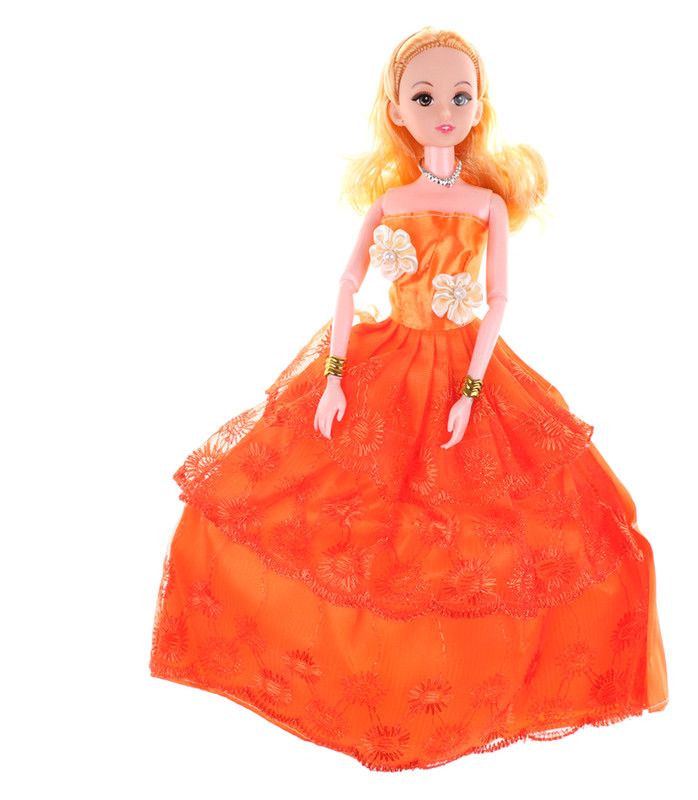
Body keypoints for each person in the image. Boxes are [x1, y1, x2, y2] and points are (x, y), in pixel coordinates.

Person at [149, 27, 668, 772]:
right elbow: (345, 284)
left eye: (460, 95)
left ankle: (459, 686)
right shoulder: (392, 202)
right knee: (354, 523)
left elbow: (498, 301)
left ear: (480, 106)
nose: (444, 111)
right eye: (424, 97)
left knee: (483, 528)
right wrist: (333, 376)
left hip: (465, 370)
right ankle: (374, 685)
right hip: (386, 362)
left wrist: (472, 390)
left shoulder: (487, 206)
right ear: (397, 111)